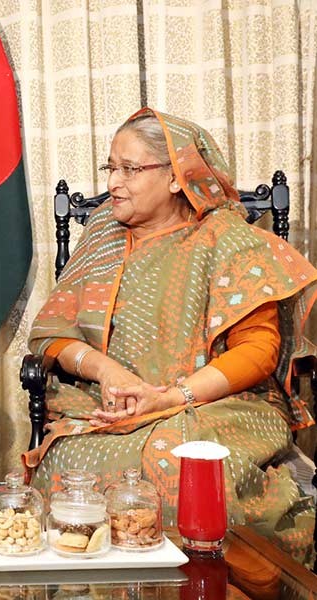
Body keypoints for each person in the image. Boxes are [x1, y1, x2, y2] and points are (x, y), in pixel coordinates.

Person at [24, 108, 317, 563]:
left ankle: (209, 584)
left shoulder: (227, 239)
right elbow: (51, 335)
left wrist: (172, 396)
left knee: (179, 466)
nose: (114, 182)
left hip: (214, 404)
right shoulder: (103, 232)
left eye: (130, 169)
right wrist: (108, 371)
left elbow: (259, 351)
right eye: (111, 168)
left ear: (178, 175)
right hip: (107, 405)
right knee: (69, 467)